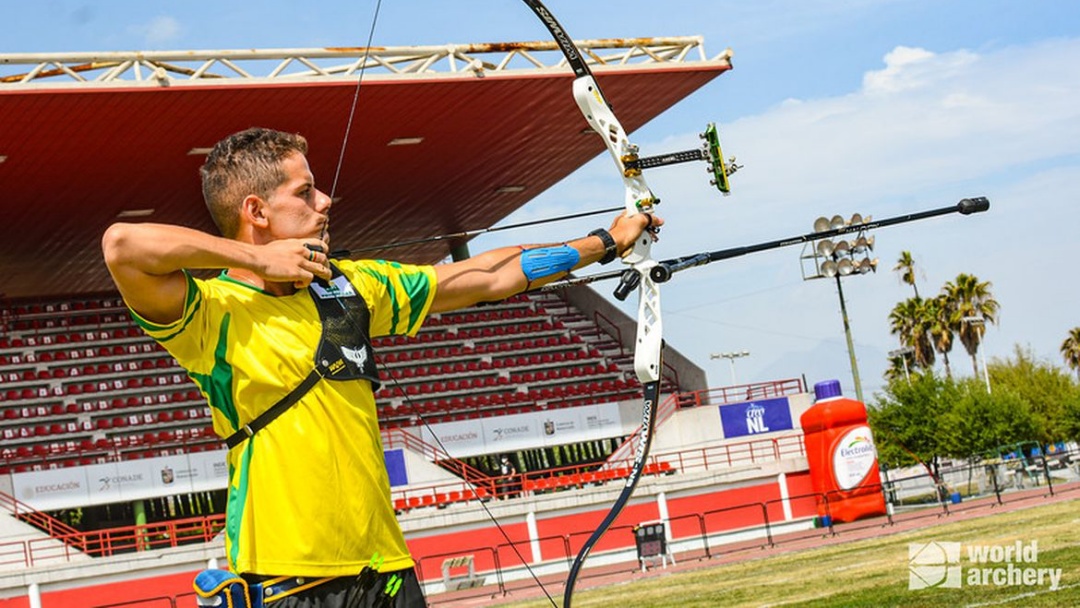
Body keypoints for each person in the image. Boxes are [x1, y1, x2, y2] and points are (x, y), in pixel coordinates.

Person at [101, 127, 660, 607]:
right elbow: (122, 244)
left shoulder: (350, 286)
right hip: (285, 576)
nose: (325, 202)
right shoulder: (210, 313)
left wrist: (604, 241)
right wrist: (256, 257)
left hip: (386, 569)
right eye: (305, 191)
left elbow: (488, 276)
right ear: (256, 211)